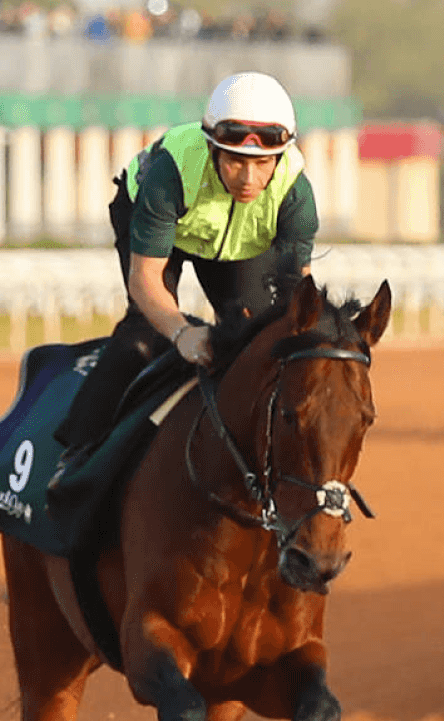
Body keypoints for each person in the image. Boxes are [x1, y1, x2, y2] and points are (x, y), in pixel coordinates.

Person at [53, 71, 319, 457]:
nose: (249, 178)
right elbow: (145, 278)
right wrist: (181, 334)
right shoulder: (169, 174)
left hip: (235, 242)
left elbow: (298, 295)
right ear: (212, 149)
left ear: (279, 156)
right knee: (144, 336)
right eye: (235, 161)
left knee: (261, 336)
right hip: (159, 226)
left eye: (263, 163)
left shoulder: (296, 194)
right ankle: (76, 456)